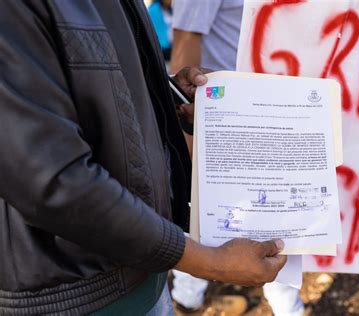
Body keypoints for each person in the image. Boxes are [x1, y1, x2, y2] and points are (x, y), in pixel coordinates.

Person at [0, 1, 287, 315]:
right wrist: (207, 261)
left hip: (140, 270)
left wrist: (167, 98)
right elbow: (54, 181)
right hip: (76, 295)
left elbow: (95, 88)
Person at [170, 1, 305, 315]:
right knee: (203, 223)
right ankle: (188, 299)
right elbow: (186, 37)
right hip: (225, 118)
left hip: (282, 111)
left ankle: (288, 306)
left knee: (279, 219)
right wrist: (187, 133)